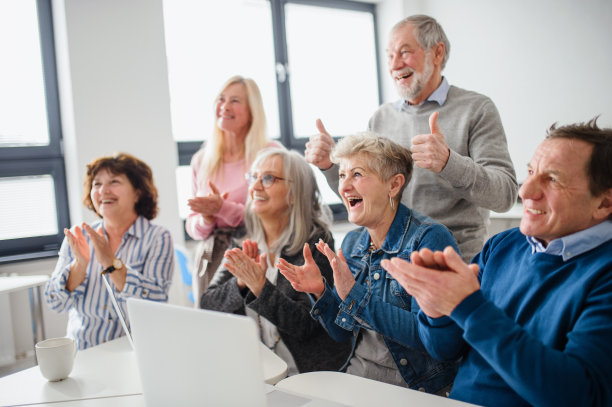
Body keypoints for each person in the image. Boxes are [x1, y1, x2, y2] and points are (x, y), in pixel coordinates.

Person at [382, 118, 612, 406]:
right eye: (530, 172)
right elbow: (444, 350)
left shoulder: (604, 274)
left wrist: (468, 306)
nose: (525, 191)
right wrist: (436, 308)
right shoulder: (504, 245)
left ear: (604, 204)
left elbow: (578, 396)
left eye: (552, 179)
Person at [306, 15, 518, 262]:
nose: (395, 64)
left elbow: (505, 196)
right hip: (392, 261)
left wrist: (449, 163)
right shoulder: (381, 118)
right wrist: (329, 166)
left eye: (405, 52)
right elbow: (365, 194)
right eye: (390, 55)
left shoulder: (477, 109)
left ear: (437, 53)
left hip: (454, 260)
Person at [278, 133, 460, 393]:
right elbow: (342, 333)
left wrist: (355, 296)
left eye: (357, 174)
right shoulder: (352, 242)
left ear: (394, 185)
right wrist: (319, 291)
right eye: (342, 175)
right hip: (357, 379)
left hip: (412, 388)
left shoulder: (429, 240)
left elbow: (430, 338)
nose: (344, 186)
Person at [200, 148, 351, 375]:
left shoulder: (316, 245)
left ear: (294, 192)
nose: (256, 186)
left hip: (308, 377)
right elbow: (208, 303)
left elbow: (307, 326)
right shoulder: (243, 241)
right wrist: (241, 284)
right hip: (256, 373)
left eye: (268, 178)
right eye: (254, 177)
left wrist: (261, 288)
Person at [45, 153, 174, 350]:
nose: (103, 190)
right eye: (96, 184)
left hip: (133, 351)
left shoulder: (158, 237)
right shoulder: (78, 237)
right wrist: (79, 266)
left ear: (138, 192)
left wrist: (111, 264)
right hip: (82, 351)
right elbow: (55, 303)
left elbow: (155, 303)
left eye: (114, 182)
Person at [186, 75, 282, 304]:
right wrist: (207, 219)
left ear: (252, 111)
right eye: (221, 99)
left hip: (255, 252)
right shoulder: (201, 160)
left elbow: (274, 212)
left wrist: (223, 207)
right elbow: (193, 226)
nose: (225, 106)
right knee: (215, 326)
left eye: (235, 101)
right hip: (211, 258)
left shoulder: (269, 153)